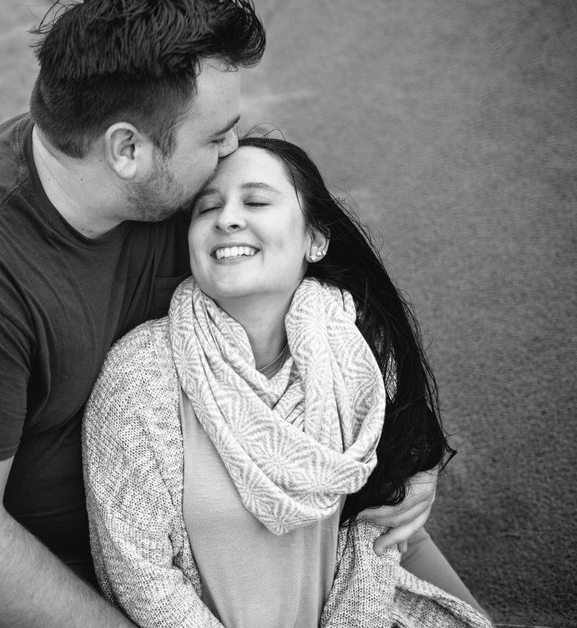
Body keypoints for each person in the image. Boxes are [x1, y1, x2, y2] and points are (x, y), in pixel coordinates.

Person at [0, 0, 438, 627]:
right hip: (10, 554)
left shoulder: (184, 188)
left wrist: (415, 446)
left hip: (199, 499)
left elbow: (341, 276)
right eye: (216, 138)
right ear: (127, 149)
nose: (235, 150)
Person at [82, 137, 491, 627]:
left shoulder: (358, 348)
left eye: (255, 201)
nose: (227, 218)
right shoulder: (141, 372)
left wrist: (420, 472)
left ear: (315, 239)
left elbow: (382, 508)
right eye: (206, 207)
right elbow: (138, 573)